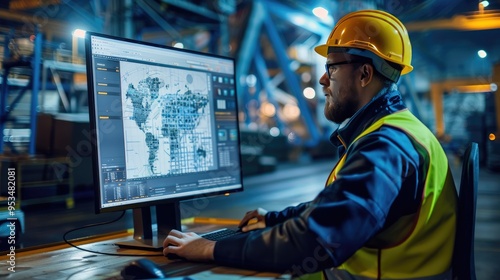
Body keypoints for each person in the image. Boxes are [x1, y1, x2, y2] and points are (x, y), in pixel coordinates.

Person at [163, 9, 458, 279]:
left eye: (331, 68)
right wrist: (275, 219)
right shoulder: (396, 131)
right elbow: (337, 208)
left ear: (365, 74)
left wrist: (208, 249)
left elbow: (316, 239)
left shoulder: (385, 146)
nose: (321, 79)